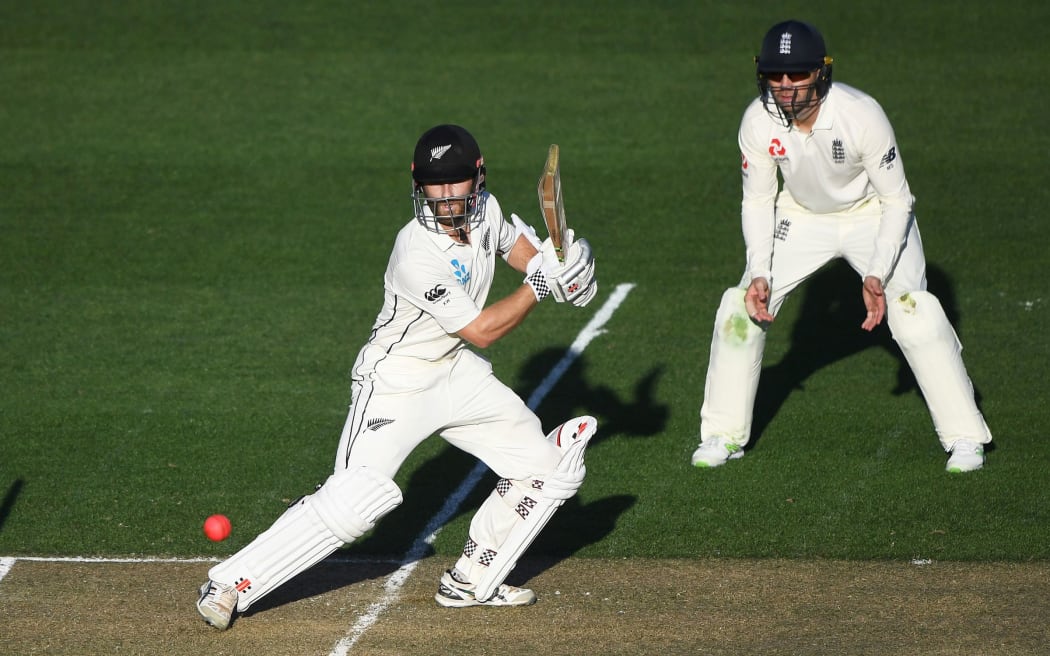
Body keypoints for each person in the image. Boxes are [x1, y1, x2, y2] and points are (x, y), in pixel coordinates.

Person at [196, 124, 599, 630]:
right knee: (357, 499)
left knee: (549, 468)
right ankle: (229, 582)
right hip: (396, 383)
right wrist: (544, 283)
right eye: (436, 183)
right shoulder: (416, 252)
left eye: (456, 181)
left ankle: (472, 579)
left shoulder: (486, 208)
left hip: (455, 372)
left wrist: (556, 263)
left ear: (478, 176)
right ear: (417, 182)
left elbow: (512, 243)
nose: (447, 195)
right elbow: (483, 331)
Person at [690, 20, 992, 473]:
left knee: (914, 312)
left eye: (797, 76)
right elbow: (756, 200)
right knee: (741, 307)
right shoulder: (757, 121)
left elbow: (897, 198)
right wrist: (759, 272)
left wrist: (875, 273)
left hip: (872, 213)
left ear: (821, 73)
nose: (786, 87)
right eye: (776, 76)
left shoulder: (861, 115)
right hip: (801, 216)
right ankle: (722, 435)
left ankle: (966, 439)